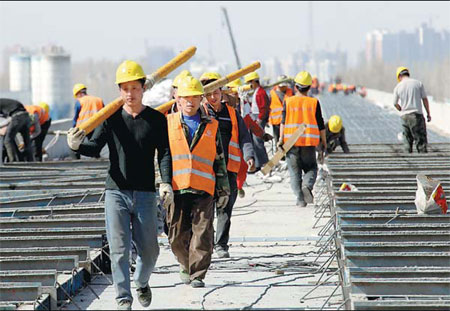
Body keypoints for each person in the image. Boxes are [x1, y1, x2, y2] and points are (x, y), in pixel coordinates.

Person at [66, 60, 171, 310]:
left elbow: (165, 153)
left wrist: (166, 182)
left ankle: (142, 282)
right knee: (119, 249)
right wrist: (76, 145)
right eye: (124, 88)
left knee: (150, 252)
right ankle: (123, 297)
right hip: (116, 191)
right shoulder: (111, 119)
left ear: (143, 88)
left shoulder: (156, 119)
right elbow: (94, 147)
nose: (129, 93)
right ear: (119, 90)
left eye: (134, 88)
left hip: (145, 193)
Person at [166, 75, 230, 288]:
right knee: (176, 236)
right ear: (178, 99)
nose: (190, 102)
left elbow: (219, 159)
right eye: (186, 98)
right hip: (177, 188)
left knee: (202, 233)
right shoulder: (168, 124)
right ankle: (186, 265)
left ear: (200, 98)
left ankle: (198, 274)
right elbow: (161, 157)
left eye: (194, 97)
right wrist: (161, 183)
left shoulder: (211, 125)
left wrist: (224, 189)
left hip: (204, 188)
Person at [200, 72, 255, 259]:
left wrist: (248, 156)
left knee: (225, 208)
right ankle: (206, 243)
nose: (213, 97)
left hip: (228, 169)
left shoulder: (232, 114)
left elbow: (244, 137)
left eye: (216, 92)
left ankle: (221, 244)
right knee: (205, 210)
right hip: (206, 170)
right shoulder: (200, 113)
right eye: (209, 94)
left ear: (222, 92)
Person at [279, 71, 327, 208]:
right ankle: (307, 186)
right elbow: (320, 124)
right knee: (311, 168)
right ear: (309, 87)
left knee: (294, 172)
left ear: (296, 87)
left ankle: (300, 199)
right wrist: (323, 142)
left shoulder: (288, 101)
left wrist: (281, 139)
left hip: (291, 142)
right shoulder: (314, 102)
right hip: (308, 142)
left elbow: (282, 122)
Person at [393, 66, 431, 153]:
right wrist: (428, 113)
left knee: (407, 141)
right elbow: (425, 99)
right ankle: (423, 163)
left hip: (404, 117)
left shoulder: (398, 86)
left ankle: (408, 162)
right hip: (416, 116)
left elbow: (395, 103)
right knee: (421, 142)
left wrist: (400, 109)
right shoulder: (418, 84)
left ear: (399, 76)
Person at [243, 71, 269, 172]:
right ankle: (258, 163)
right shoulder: (257, 92)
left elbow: (263, 107)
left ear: (255, 82)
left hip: (258, 118)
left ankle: (263, 162)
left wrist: (259, 119)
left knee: (258, 141)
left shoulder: (260, 93)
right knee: (254, 141)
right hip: (255, 117)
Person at [71, 83, 104, 159]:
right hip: (97, 126)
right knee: (95, 145)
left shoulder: (80, 101)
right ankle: (96, 159)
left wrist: (73, 128)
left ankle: (76, 162)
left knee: (76, 145)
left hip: (83, 127)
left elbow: (75, 117)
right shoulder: (98, 100)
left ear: (78, 93)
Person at [269, 75, 294, 148]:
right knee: (277, 140)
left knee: (288, 139)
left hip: (288, 120)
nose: (283, 88)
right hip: (276, 121)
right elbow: (268, 106)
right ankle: (279, 154)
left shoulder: (290, 92)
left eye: (284, 86)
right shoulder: (272, 93)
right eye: (281, 86)